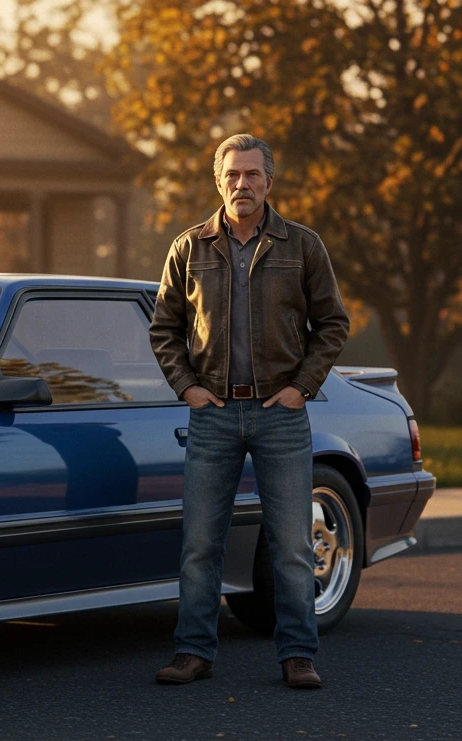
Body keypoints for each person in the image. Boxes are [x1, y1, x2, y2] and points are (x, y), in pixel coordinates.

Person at [149, 133, 349, 688]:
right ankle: (193, 652)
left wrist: (301, 387)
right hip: (212, 413)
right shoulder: (189, 248)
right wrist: (187, 387)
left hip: (280, 414)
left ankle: (297, 656)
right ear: (219, 180)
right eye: (233, 174)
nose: (242, 184)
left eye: (253, 174)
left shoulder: (302, 246)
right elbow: (164, 327)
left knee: (290, 543)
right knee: (200, 544)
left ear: (269, 180)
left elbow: (333, 325)